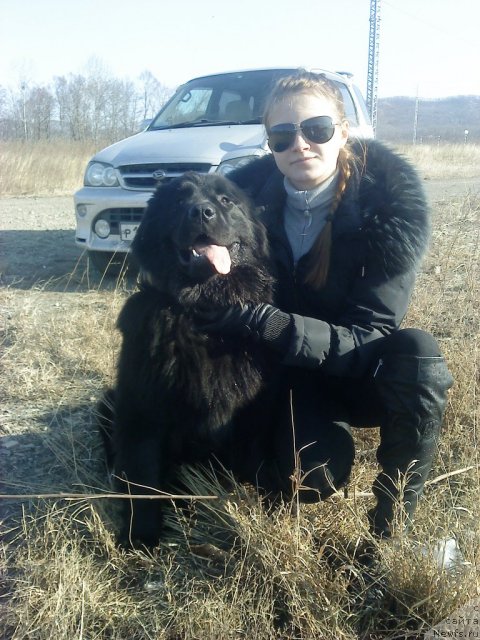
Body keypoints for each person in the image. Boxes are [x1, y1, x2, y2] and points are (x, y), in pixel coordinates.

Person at [197, 70, 454, 538]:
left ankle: (391, 528)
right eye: (282, 135)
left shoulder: (386, 211)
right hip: (278, 377)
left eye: (316, 129)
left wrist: (269, 322)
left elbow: (372, 332)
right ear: (270, 144)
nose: (300, 145)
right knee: (309, 474)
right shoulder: (240, 206)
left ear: (343, 132)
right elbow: (172, 257)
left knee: (418, 355)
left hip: (356, 371)